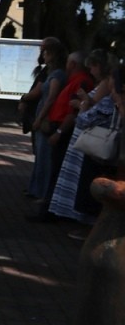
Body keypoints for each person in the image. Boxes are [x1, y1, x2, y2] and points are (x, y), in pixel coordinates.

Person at [49, 52, 116, 233]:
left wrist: (83, 104)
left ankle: (85, 221)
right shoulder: (103, 86)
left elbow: (92, 112)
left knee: (87, 180)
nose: (90, 70)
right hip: (88, 135)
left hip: (92, 137)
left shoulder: (106, 87)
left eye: (93, 66)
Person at [30, 50, 92, 223]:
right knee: (55, 168)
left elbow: (72, 112)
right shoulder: (73, 80)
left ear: (72, 64)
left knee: (56, 170)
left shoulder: (80, 81)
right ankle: (50, 207)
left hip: (63, 130)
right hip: (59, 126)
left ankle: (50, 211)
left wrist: (59, 132)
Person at [27, 38, 67, 202]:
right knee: (40, 155)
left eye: (46, 52)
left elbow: (51, 98)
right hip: (43, 113)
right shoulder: (50, 73)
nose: (43, 55)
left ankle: (43, 192)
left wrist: (40, 118)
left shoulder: (57, 74)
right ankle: (36, 189)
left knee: (45, 156)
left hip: (46, 118)